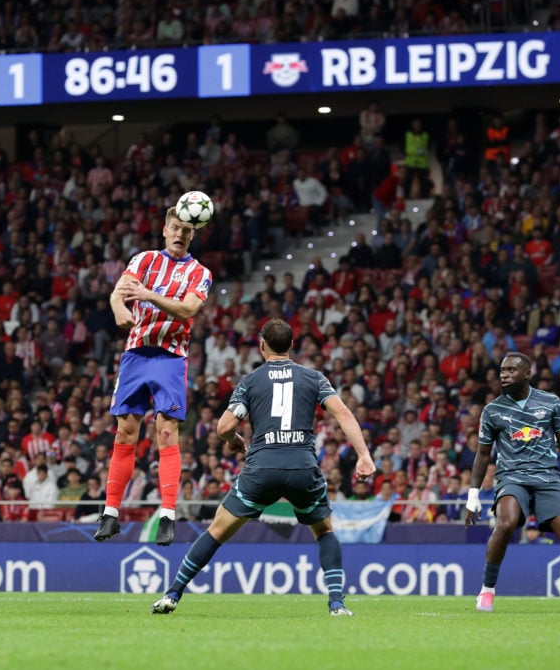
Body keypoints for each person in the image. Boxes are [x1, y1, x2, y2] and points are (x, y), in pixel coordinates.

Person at [151, 319, 375, 617]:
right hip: (302, 468)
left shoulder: (251, 381)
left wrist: (234, 440)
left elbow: (224, 426)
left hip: (262, 469)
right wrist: (363, 455)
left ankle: (172, 594)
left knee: (217, 530)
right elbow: (343, 413)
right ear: (292, 345)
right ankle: (336, 604)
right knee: (324, 531)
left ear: (261, 346)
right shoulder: (314, 378)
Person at [94, 205, 213, 546]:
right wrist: (119, 310)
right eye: (175, 228)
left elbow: (188, 309)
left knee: (166, 432)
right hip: (135, 354)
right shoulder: (145, 260)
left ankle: (167, 516)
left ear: (193, 234)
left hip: (170, 357)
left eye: (186, 231)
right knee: (126, 431)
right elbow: (119, 292)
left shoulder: (198, 272)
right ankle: (111, 514)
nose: (179, 235)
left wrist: (148, 296)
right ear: (165, 229)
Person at [464, 352, 560, 613]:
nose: (504, 375)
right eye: (502, 370)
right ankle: (487, 590)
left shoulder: (551, 402)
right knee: (506, 522)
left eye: (511, 370)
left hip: (547, 477)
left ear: (527, 374)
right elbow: (483, 454)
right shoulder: (493, 410)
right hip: (511, 477)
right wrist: (472, 496)